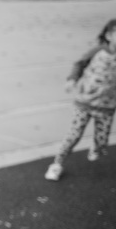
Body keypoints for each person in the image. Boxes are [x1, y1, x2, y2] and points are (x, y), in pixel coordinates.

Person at [45, 18, 116, 181]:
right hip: (85, 101)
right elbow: (79, 63)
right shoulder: (98, 51)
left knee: (102, 140)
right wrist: (72, 79)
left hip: (107, 105)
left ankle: (97, 147)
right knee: (74, 135)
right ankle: (57, 164)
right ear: (108, 36)